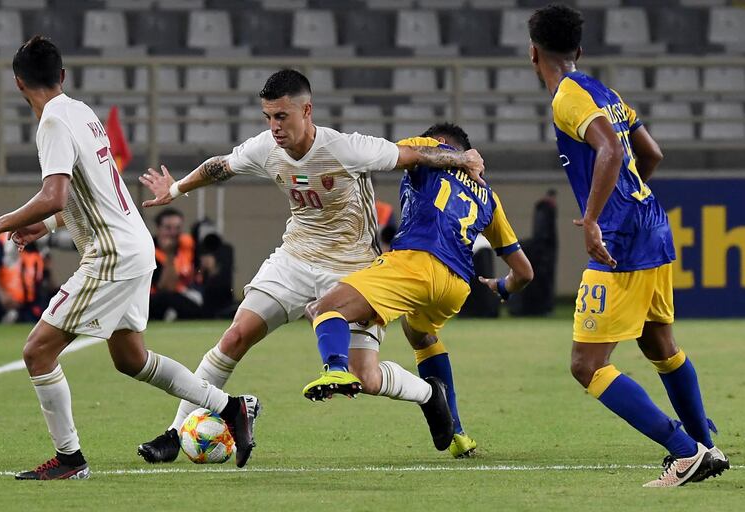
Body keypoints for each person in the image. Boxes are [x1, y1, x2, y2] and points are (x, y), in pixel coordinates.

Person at [136, 69, 485, 462]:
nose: (274, 127)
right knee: (234, 337)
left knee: (365, 377)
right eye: (268, 117)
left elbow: (413, 155)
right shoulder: (265, 147)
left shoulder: (346, 148)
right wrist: (177, 188)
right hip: (295, 259)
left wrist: (461, 157)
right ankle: (175, 432)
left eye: (281, 116)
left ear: (307, 110)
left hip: (353, 270)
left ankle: (428, 393)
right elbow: (222, 165)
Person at [0, 36, 260, 479]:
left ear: (18, 83)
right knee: (130, 358)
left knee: (37, 352)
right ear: (62, 76)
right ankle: (231, 408)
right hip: (135, 246)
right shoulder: (81, 112)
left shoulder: (51, 124)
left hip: (111, 256)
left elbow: (54, 194)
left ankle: (70, 459)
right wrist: (43, 226)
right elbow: (95, 194)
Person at [527, 4, 727, 487]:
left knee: (586, 364)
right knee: (660, 344)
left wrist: (596, 217)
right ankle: (707, 447)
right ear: (579, 49)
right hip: (653, 225)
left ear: (533, 53)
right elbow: (650, 153)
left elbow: (612, 150)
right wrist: (631, 198)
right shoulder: (604, 90)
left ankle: (683, 451)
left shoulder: (566, 97)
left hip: (621, 238)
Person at [302, 125, 533, 452]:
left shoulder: (427, 150)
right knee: (419, 333)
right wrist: (504, 287)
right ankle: (457, 433)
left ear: (442, 146)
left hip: (417, 263)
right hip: (455, 286)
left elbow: (387, 154)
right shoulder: (488, 196)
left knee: (325, 308)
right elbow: (524, 271)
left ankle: (337, 370)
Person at [149, 208, 202, 321]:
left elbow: (196, 273)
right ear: (158, 229)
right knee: (166, 298)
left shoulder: (187, 244)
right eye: (168, 228)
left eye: (177, 228)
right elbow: (166, 288)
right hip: (155, 297)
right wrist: (169, 255)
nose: (173, 233)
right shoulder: (149, 249)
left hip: (183, 293)